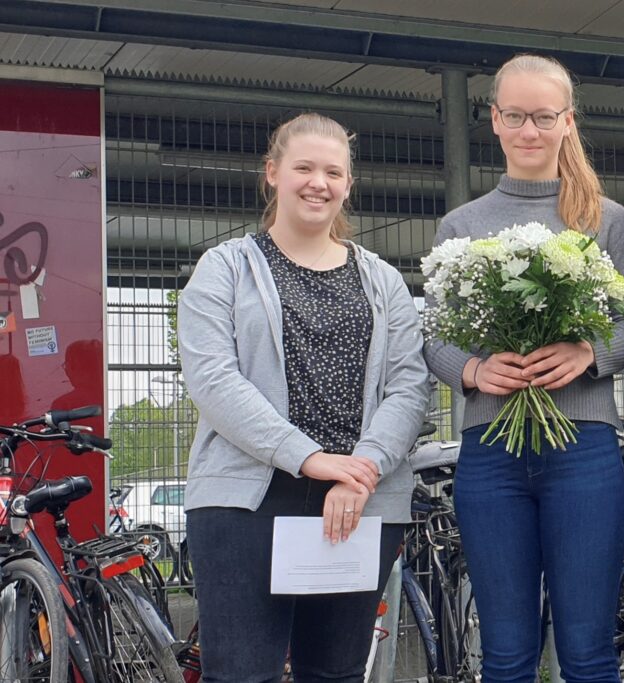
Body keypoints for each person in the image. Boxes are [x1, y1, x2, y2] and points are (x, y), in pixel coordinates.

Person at [178, 112, 430, 683]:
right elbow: (215, 379)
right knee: (243, 672)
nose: (319, 182)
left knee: (336, 673)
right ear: (272, 173)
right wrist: (310, 458)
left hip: (359, 500)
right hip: (246, 500)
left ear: (348, 184)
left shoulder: (385, 281)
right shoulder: (224, 269)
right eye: (304, 168)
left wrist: (358, 469)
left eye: (334, 171)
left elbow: (410, 386)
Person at [424, 54, 624, 683]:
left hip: (585, 451)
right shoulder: (460, 227)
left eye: (543, 117)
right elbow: (433, 336)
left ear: (568, 122)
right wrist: (471, 371)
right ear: (493, 119)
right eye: (515, 115)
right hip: (490, 452)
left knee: (589, 652)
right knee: (506, 655)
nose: (529, 130)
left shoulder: (606, 219)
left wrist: (587, 355)